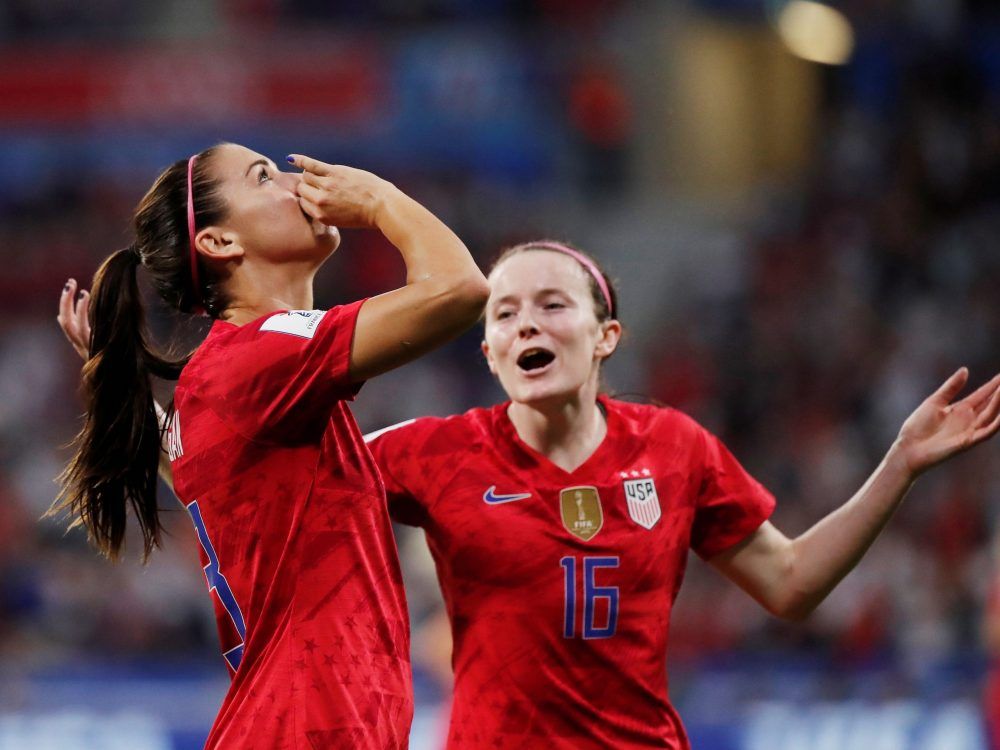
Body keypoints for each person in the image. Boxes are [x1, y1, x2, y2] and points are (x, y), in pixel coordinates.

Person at [61, 240, 1000, 749]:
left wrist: (900, 466)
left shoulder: (674, 449)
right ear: (488, 351)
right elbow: (258, 468)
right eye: (505, 311)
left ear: (606, 338)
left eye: (555, 305)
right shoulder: (430, 453)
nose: (525, 322)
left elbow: (791, 582)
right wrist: (135, 387)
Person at [52, 143, 489, 750]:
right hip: (312, 723)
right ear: (220, 243)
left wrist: (121, 382)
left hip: (290, 721)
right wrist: (379, 199)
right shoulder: (264, 355)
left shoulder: (224, 380)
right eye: (265, 177)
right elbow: (460, 290)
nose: (297, 182)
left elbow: (206, 479)